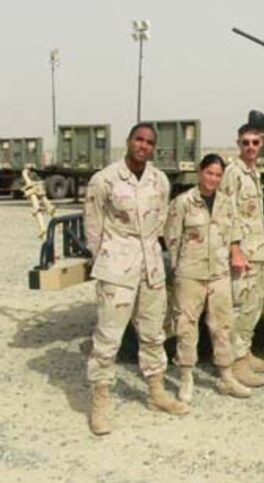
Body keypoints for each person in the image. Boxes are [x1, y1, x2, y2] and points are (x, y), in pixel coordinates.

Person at [84, 123, 189, 436]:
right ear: (128, 142)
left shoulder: (159, 180)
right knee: (108, 337)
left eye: (149, 142)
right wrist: (109, 256)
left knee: (154, 332)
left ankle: (156, 392)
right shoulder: (104, 180)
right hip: (117, 265)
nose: (143, 146)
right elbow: (93, 227)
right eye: (139, 140)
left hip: (151, 267)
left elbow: (160, 219)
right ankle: (100, 401)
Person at [165, 154, 251, 403]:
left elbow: (234, 233)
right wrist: (180, 266)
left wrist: (233, 254)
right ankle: (186, 377)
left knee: (223, 325)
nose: (213, 178)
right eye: (209, 173)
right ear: (199, 172)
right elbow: (172, 237)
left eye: (217, 174)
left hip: (219, 274)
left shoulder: (226, 203)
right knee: (186, 326)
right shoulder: (183, 202)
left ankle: (226, 375)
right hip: (190, 274)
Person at [219, 124, 264, 389]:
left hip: (258, 250)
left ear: (261, 143)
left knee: (254, 305)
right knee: (239, 307)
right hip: (243, 253)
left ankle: (245, 351)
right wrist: (235, 250)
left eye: (255, 142)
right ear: (238, 144)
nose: (250, 147)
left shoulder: (253, 172)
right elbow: (227, 212)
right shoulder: (233, 173)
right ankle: (235, 363)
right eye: (245, 142)